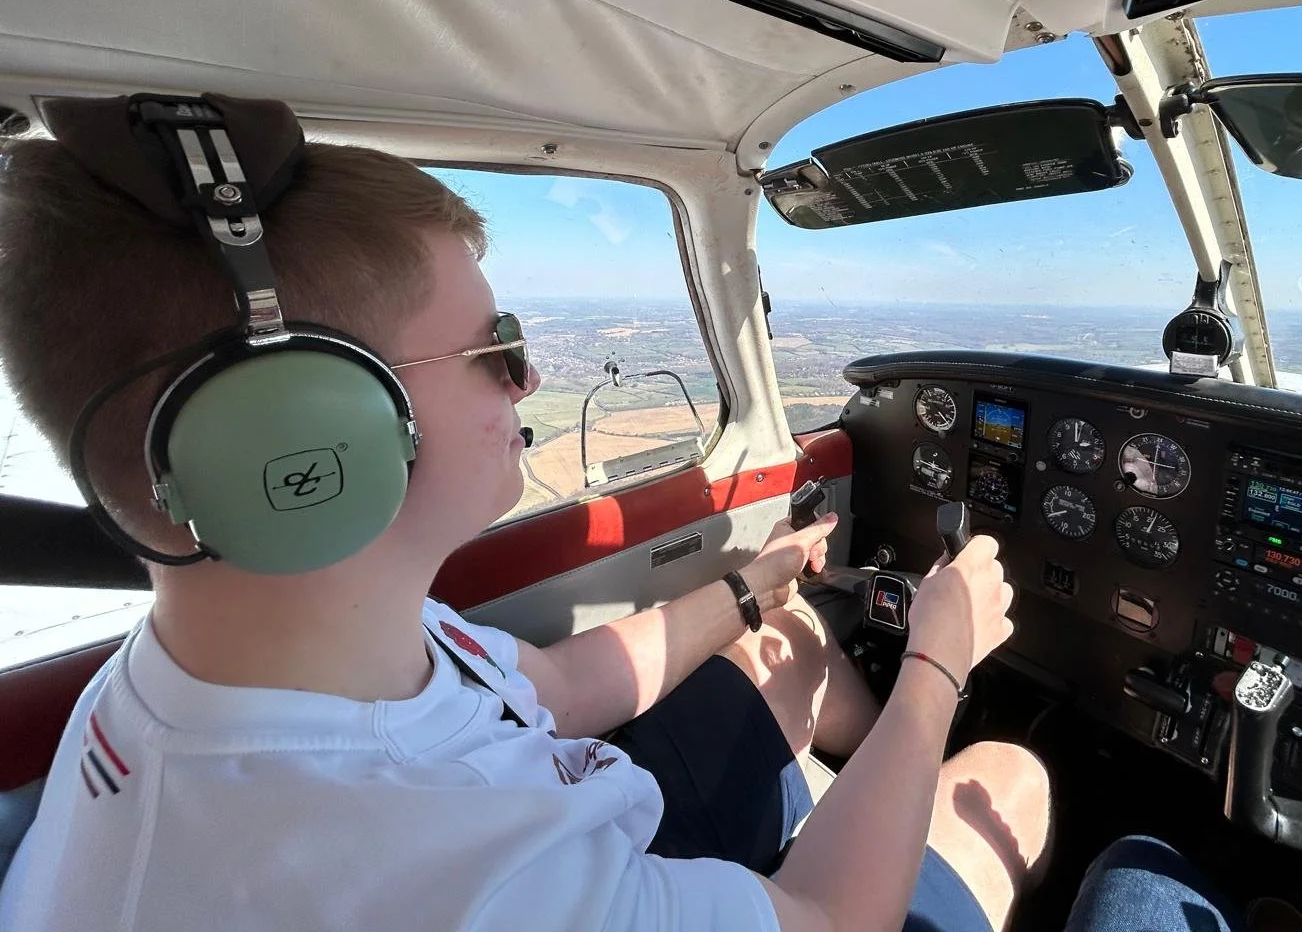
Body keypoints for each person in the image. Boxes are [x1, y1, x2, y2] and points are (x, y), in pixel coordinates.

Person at [0, 103, 1051, 932]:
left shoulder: (294, 656)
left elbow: (547, 689)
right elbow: (831, 920)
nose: (530, 377)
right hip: (609, 875)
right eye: (492, 351)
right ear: (306, 438)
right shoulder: (435, 875)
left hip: (582, 827)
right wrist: (938, 667)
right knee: (1010, 777)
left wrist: (749, 587)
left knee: (795, 641)